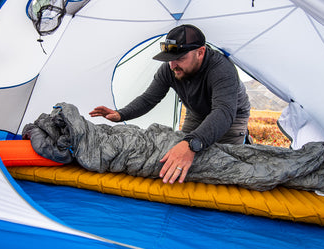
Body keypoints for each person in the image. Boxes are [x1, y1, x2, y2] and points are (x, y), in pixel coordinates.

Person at [89, 24, 251, 185]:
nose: (173, 66)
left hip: (231, 116)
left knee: (225, 168)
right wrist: (121, 114)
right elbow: (149, 98)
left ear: (200, 52)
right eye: (169, 59)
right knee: (182, 157)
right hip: (196, 113)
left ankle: (244, 140)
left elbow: (223, 112)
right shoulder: (170, 68)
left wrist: (192, 143)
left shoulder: (222, 69)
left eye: (180, 58)